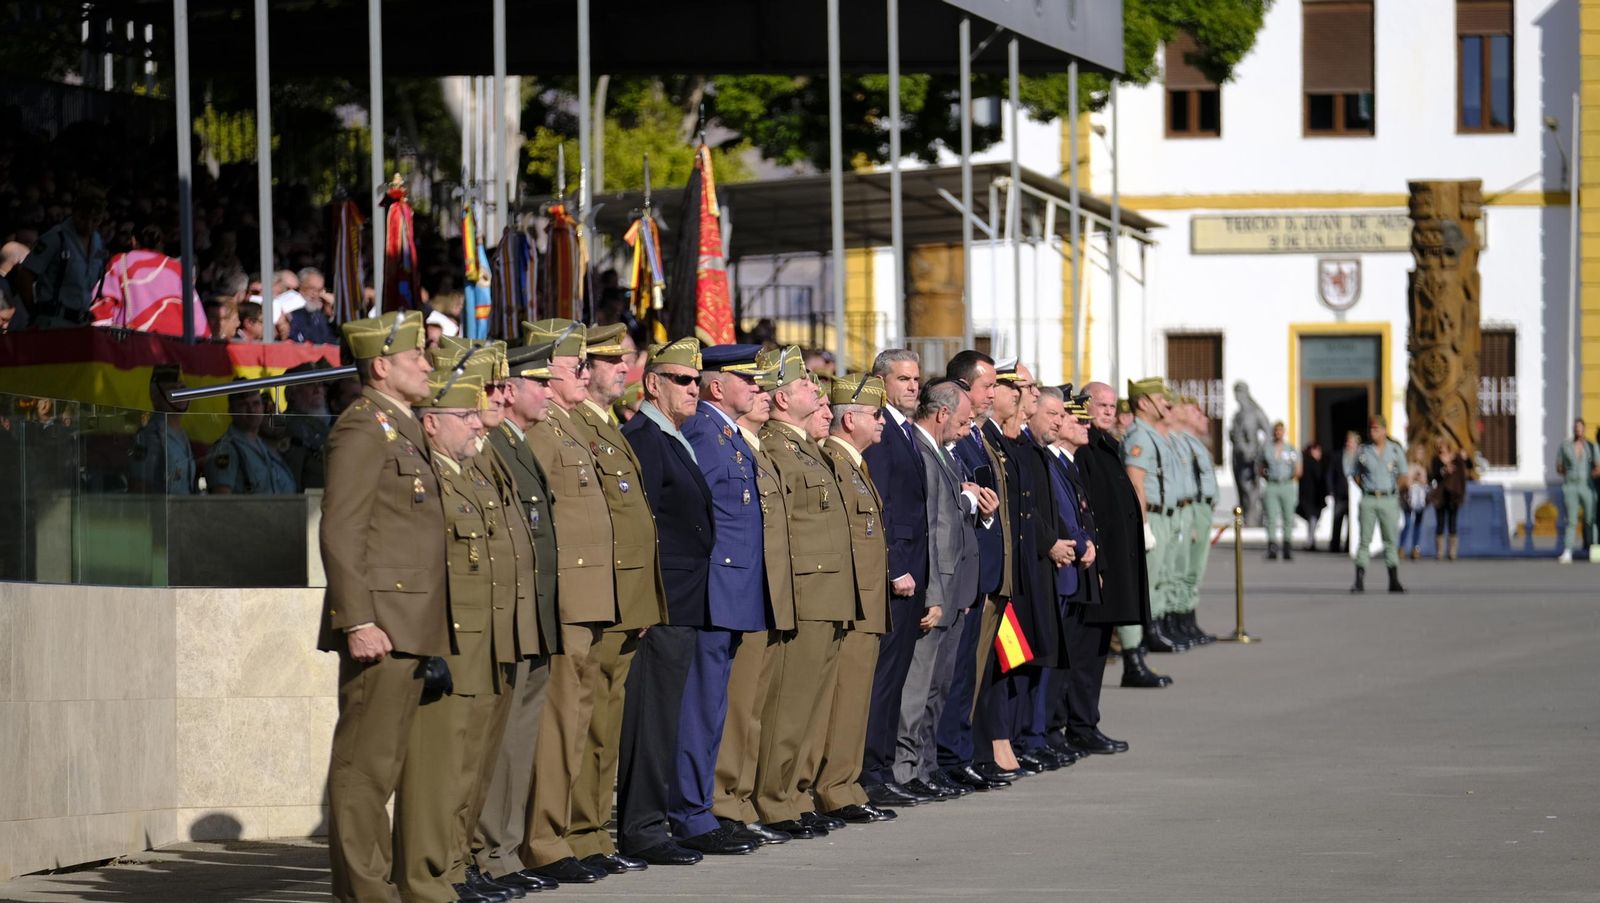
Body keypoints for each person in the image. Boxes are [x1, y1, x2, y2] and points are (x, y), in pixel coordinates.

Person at [316, 310, 449, 903]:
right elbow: (341, 530)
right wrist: (359, 619)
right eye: (414, 355)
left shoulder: (400, 425)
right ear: (380, 367)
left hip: (409, 621)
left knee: (384, 767)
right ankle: (364, 893)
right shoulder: (363, 428)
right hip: (382, 624)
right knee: (363, 770)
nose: (426, 363)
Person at [614, 336, 756, 864]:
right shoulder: (646, 438)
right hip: (665, 600)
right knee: (654, 723)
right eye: (682, 380)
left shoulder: (675, 436)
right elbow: (643, 527)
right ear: (653, 384)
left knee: (672, 717)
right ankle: (646, 828)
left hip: (686, 598)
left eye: (696, 380)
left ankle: (660, 822)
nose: (693, 388)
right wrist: (642, 599)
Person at [389, 369, 511, 903]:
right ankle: (425, 877)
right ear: (432, 424)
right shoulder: (429, 477)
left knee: (464, 765)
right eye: (465, 415)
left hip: (477, 638)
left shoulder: (463, 472)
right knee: (435, 770)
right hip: (447, 640)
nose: (477, 424)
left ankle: (449, 869)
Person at [555, 323, 670, 874]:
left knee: (604, 724)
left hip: (622, 598)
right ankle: (577, 833)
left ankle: (594, 832)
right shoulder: (573, 426)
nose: (623, 368)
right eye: (609, 360)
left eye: (624, 359)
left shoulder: (608, 425)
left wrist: (641, 597)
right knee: (583, 725)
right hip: (595, 598)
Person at [518, 319, 620, 885]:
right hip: (566, 599)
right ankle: (543, 840)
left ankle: (565, 834)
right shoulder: (544, 429)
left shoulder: (571, 425)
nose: (586, 373)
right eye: (575, 365)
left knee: (578, 724)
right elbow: (541, 522)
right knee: (558, 726)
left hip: (590, 598)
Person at [680, 344, 784, 849]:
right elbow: (694, 516)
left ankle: (702, 808)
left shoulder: (727, 435)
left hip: (734, 591)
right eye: (750, 380)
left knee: (715, 708)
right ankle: (693, 813)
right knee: (701, 709)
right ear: (718, 386)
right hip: (714, 592)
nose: (759, 388)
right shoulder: (704, 431)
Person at [752, 345, 856, 839]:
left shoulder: (805, 447)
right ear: (780, 398)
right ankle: (774, 800)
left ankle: (795, 793)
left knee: (812, 707)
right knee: (789, 709)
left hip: (828, 592)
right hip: (806, 593)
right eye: (804, 386)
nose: (816, 393)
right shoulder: (775, 446)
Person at [710, 356, 798, 846]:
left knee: (753, 709)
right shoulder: (727, 443)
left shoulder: (753, 447)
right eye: (754, 386)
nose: (763, 395)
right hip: (738, 591)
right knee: (738, 706)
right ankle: (725, 802)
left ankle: (740, 800)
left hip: (763, 592)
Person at [815, 373, 898, 825]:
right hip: (852, 604)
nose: (882, 421)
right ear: (850, 420)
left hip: (866, 604)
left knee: (855, 702)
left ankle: (846, 785)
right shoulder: (835, 462)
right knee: (842, 702)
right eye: (875, 414)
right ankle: (833, 789)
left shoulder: (854, 464)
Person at [896, 379, 982, 800]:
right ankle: (905, 770)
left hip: (952, 588)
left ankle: (925, 767)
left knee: (937, 688)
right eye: (963, 422)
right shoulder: (922, 451)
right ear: (943, 414)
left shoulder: (942, 452)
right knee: (917, 689)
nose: (966, 431)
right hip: (936, 589)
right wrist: (933, 594)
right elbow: (931, 529)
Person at [858, 349, 934, 808]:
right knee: (883, 680)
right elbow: (879, 504)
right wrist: (894, 567)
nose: (912, 386)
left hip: (913, 571)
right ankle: (871, 772)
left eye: (916, 379)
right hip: (897, 574)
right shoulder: (881, 429)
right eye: (903, 378)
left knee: (896, 676)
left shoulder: (902, 430)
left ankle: (882, 767)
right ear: (880, 382)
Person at [938, 350, 1010, 790]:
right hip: (961, 576)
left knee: (967, 673)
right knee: (952, 675)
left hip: (979, 573)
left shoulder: (976, 436)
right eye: (988, 386)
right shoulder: (957, 439)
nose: (994, 394)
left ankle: (960, 753)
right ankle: (951, 755)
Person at [1045, 392, 1127, 755]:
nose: (1086, 426)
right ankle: (1053, 730)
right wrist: (1083, 544)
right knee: (1066, 656)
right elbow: (1064, 515)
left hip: (1087, 567)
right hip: (1070, 568)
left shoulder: (1073, 461)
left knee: (1083, 654)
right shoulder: (1057, 461)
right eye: (1077, 419)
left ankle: (1070, 727)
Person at [1081, 381, 1168, 689]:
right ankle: (1132, 656)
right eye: (1101, 405)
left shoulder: (1108, 443)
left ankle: (1136, 653)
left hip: (1118, 546)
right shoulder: (1084, 448)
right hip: (1100, 552)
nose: (1109, 411)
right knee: (1087, 649)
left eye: (1111, 406)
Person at [12, 185, 109, 327]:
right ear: (74, 212)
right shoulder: (55, 238)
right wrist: (35, 313)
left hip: (81, 322)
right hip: (53, 322)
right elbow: (25, 276)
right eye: (83, 218)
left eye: (95, 220)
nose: (88, 225)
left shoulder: (98, 242)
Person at [1346, 414, 1407, 593]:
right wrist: (1365, 487)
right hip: (1369, 498)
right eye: (1371, 429)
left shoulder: (1394, 450)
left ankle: (1394, 580)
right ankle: (1359, 580)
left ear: (1384, 430)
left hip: (1388, 498)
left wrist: (1393, 489)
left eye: (1376, 429)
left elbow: (1403, 474)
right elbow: (1355, 474)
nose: (1373, 433)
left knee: (1390, 540)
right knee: (1364, 540)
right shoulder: (1364, 450)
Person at [205, 387, 296, 495]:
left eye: (256, 403)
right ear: (231, 411)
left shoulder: (263, 447)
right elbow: (221, 498)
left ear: (262, 407)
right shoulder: (225, 449)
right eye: (243, 405)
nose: (252, 410)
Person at [130, 365, 196, 495]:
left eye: (182, 388)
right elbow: (140, 487)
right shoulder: (150, 436)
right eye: (172, 389)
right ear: (155, 396)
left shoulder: (181, 434)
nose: (180, 394)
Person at [281, 361, 333, 491]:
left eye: (320, 384)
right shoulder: (289, 425)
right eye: (310, 384)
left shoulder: (321, 423)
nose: (317, 389)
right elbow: (294, 472)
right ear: (292, 394)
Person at [1554, 419, 1597, 563]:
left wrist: (1591, 474)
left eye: (1580, 427)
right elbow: (1559, 466)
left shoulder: (1590, 446)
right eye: (1576, 428)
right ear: (1573, 429)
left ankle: (1593, 548)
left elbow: (1597, 466)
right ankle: (1568, 550)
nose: (1578, 430)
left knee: (1591, 519)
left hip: (1587, 486)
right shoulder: (1565, 446)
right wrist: (1568, 473)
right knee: (1571, 520)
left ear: (1584, 429)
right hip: (1571, 486)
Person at [1258, 421, 1301, 560]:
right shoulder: (1267, 449)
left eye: (1280, 431)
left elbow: (1298, 468)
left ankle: (1287, 546)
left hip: (1287, 484)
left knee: (1288, 516)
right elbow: (1260, 466)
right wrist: (1266, 476)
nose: (1278, 433)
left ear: (1284, 432)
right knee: (1270, 516)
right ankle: (1272, 545)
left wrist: (1291, 477)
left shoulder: (1290, 449)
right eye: (1276, 431)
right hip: (1272, 484)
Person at [1428, 437, 1469, 561]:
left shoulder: (1456, 458)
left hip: (1453, 494)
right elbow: (1433, 476)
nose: (1440, 447)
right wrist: (1444, 470)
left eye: (1442, 445)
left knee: (1453, 522)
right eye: (1438, 445)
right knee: (1440, 522)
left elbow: (1469, 466)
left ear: (1447, 445)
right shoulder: (1436, 460)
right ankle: (1440, 552)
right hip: (1440, 495)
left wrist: (1465, 457)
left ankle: (1452, 552)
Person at [288, 268, 339, 345]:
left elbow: (331, 341)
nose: (315, 294)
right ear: (300, 287)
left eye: (319, 290)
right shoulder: (292, 311)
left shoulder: (320, 314)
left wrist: (330, 312)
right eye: (311, 289)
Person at [1327, 431, 1358, 554]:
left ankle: (1349, 545)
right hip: (1340, 493)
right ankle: (1334, 545)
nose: (1349, 444)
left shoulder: (1360, 456)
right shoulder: (1338, 455)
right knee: (1337, 519)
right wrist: (1331, 490)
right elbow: (1330, 474)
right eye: (1348, 441)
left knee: (1352, 521)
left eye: (1352, 442)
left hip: (1354, 495)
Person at [1298, 441, 1327, 552]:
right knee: (1313, 518)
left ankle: (1311, 540)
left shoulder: (1307, 462)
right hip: (1312, 496)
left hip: (1310, 496)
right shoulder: (1313, 463)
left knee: (1312, 519)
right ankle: (1310, 541)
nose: (1319, 453)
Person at [1399, 462, 1429, 561]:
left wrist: (1420, 479)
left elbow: (1425, 483)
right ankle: (1401, 548)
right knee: (1407, 524)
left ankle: (1415, 548)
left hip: (1420, 500)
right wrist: (1413, 478)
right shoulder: (1408, 467)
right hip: (1408, 500)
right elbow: (1404, 483)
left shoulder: (1423, 468)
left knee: (1418, 525)